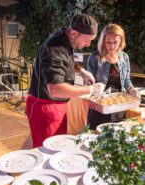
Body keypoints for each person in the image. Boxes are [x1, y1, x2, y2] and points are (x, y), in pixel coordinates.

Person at [26, 13, 105, 148]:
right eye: (87, 40)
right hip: (45, 107)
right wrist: (91, 89)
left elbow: (63, 64)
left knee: (58, 146)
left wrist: (81, 71)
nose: (88, 44)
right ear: (74, 33)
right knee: (48, 150)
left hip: (56, 106)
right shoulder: (55, 48)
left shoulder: (64, 38)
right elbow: (56, 89)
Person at [86, 23, 139, 130]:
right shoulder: (95, 57)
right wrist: (93, 87)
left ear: (121, 42)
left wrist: (131, 89)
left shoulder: (124, 57)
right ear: (102, 41)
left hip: (119, 107)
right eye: (108, 42)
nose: (112, 46)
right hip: (99, 107)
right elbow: (89, 82)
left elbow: (126, 79)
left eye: (115, 42)